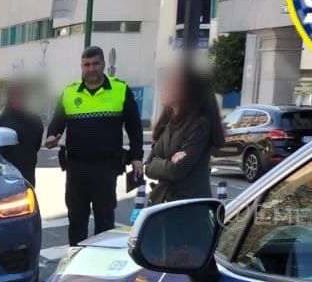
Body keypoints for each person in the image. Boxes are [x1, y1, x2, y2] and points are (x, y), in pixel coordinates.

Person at [43, 47, 143, 245]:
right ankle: (76, 264)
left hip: (106, 168)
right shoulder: (69, 93)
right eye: (86, 65)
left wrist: (137, 156)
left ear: (104, 64)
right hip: (76, 169)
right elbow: (57, 123)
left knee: (104, 222)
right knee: (76, 221)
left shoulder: (120, 90)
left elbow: (134, 127)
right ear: (81, 67)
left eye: (95, 63)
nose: (91, 69)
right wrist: (51, 137)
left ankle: (100, 267)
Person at [145, 64, 226, 204]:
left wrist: (161, 163)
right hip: (164, 204)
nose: (165, 86)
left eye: (172, 83)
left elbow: (177, 171)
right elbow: (148, 166)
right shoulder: (168, 122)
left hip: (188, 206)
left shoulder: (199, 125)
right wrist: (169, 162)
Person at [0, 80, 44, 186]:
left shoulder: (35, 121)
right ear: (10, 99)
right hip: (6, 178)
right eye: (17, 96)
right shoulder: (0, 122)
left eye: (24, 96)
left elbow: (36, 146)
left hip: (28, 177)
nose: (21, 99)